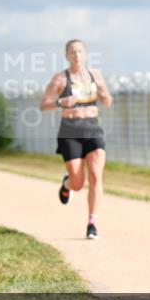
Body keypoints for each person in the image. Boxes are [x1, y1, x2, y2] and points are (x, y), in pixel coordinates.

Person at [40, 39, 113, 240]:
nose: (77, 55)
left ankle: (92, 223)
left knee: (96, 176)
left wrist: (104, 93)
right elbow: (43, 104)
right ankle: (67, 184)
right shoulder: (61, 79)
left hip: (93, 129)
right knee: (78, 183)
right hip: (70, 131)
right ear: (67, 56)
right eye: (72, 52)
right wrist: (60, 102)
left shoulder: (95, 75)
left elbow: (107, 101)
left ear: (86, 54)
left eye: (80, 51)